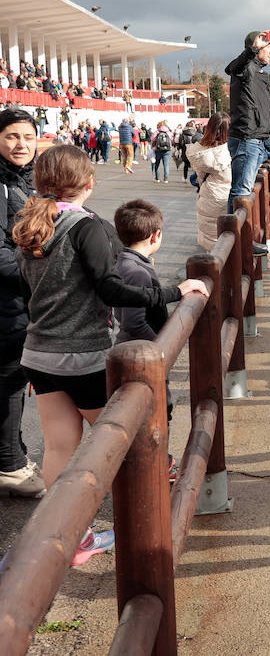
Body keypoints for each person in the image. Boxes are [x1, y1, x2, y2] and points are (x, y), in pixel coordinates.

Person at [15, 146, 205, 563]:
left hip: (39, 353)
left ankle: (69, 535)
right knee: (129, 444)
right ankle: (145, 528)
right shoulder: (88, 227)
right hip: (82, 355)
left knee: (60, 447)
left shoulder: (31, 225)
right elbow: (112, 288)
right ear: (89, 183)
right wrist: (174, 290)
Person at [112, 199, 180, 482]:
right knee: (153, 414)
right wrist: (160, 349)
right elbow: (134, 321)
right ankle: (155, 468)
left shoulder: (124, 262)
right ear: (155, 236)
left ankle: (156, 464)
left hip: (134, 349)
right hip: (141, 355)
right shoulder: (137, 271)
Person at [0, 109, 40, 497]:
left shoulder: (27, 182)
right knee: (10, 382)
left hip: (21, 303)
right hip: (6, 305)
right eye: (12, 136)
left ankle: (13, 455)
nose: (21, 145)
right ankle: (11, 465)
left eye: (27, 137)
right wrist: (40, 275)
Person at [224, 31, 270, 228]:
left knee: (243, 190)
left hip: (256, 138)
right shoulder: (246, 68)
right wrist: (253, 48)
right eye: (268, 47)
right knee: (242, 190)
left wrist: (267, 104)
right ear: (256, 49)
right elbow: (232, 68)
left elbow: (249, 101)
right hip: (247, 138)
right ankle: (239, 238)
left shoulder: (258, 72)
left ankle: (240, 237)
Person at [186, 113, 233, 251]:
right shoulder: (228, 152)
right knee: (226, 242)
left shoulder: (200, 152)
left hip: (207, 195)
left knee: (212, 244)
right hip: (223, 197)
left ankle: (213, 268)